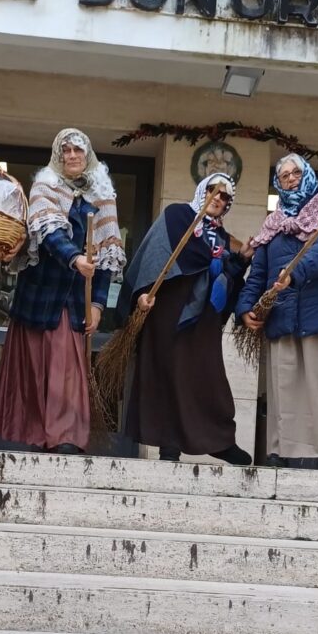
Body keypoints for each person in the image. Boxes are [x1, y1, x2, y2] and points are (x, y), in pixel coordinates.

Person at [0, 128, 125, 453]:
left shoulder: (102, 195)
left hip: (75, 301)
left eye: (78, 150)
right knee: (36, 370)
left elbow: (106, 256)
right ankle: (40, 436)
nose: (72, 155)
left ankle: (65, 438)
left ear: (88, 155)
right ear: (58, 155)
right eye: (66, 150)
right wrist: (75, 258)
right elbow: (49, 234)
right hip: (39, 297)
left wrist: (98, 305)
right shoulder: (44, 185)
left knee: (66, 371)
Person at [236, 152, 318, 469]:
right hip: (283, 317)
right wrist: (245, 308)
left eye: (296, 173)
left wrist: (295, 273)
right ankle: (284, 450)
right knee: (286, 388)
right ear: (278, 184)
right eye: (284, 176)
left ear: (307, 175)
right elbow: (258, 273)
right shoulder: (273, 225)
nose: (291, 179)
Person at [119, 173, 253, 464]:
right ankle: (169, 446)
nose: (218, 199)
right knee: (167, 372)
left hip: (202, 318)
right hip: (168, 309)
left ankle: (219, 440)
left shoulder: (221, 238)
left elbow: (223, 276)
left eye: (225, 197)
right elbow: (153, 257)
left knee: (207, 376)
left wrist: (240, 259)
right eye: (214, 191)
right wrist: (142, 294)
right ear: (202, 191)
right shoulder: (177, 215)